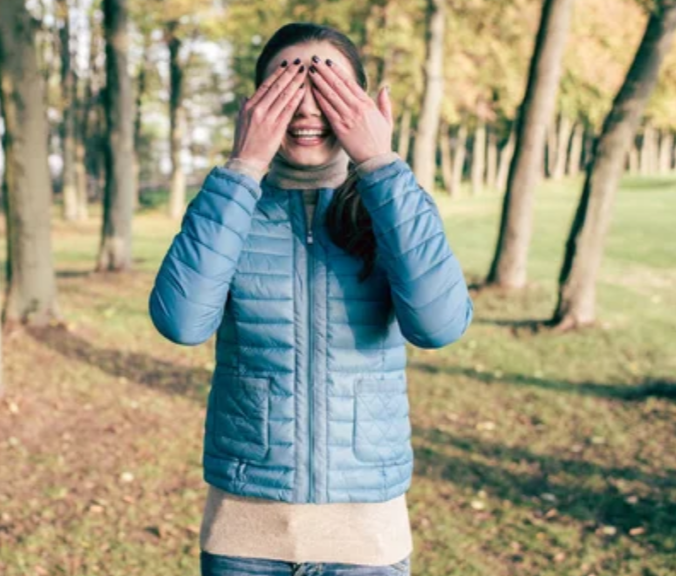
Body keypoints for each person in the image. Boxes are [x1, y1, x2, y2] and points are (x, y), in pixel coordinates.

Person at [148, 22, 473, 576]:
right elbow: (181, 321)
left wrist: (380, 167)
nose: (306, 109)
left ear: (364, 105)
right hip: (246, 541)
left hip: (367, 544)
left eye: (327, 89)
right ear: (256, 106)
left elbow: (438, 325)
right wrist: (244, 166)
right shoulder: (229, 202)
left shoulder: (393, 204)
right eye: (287, 88)